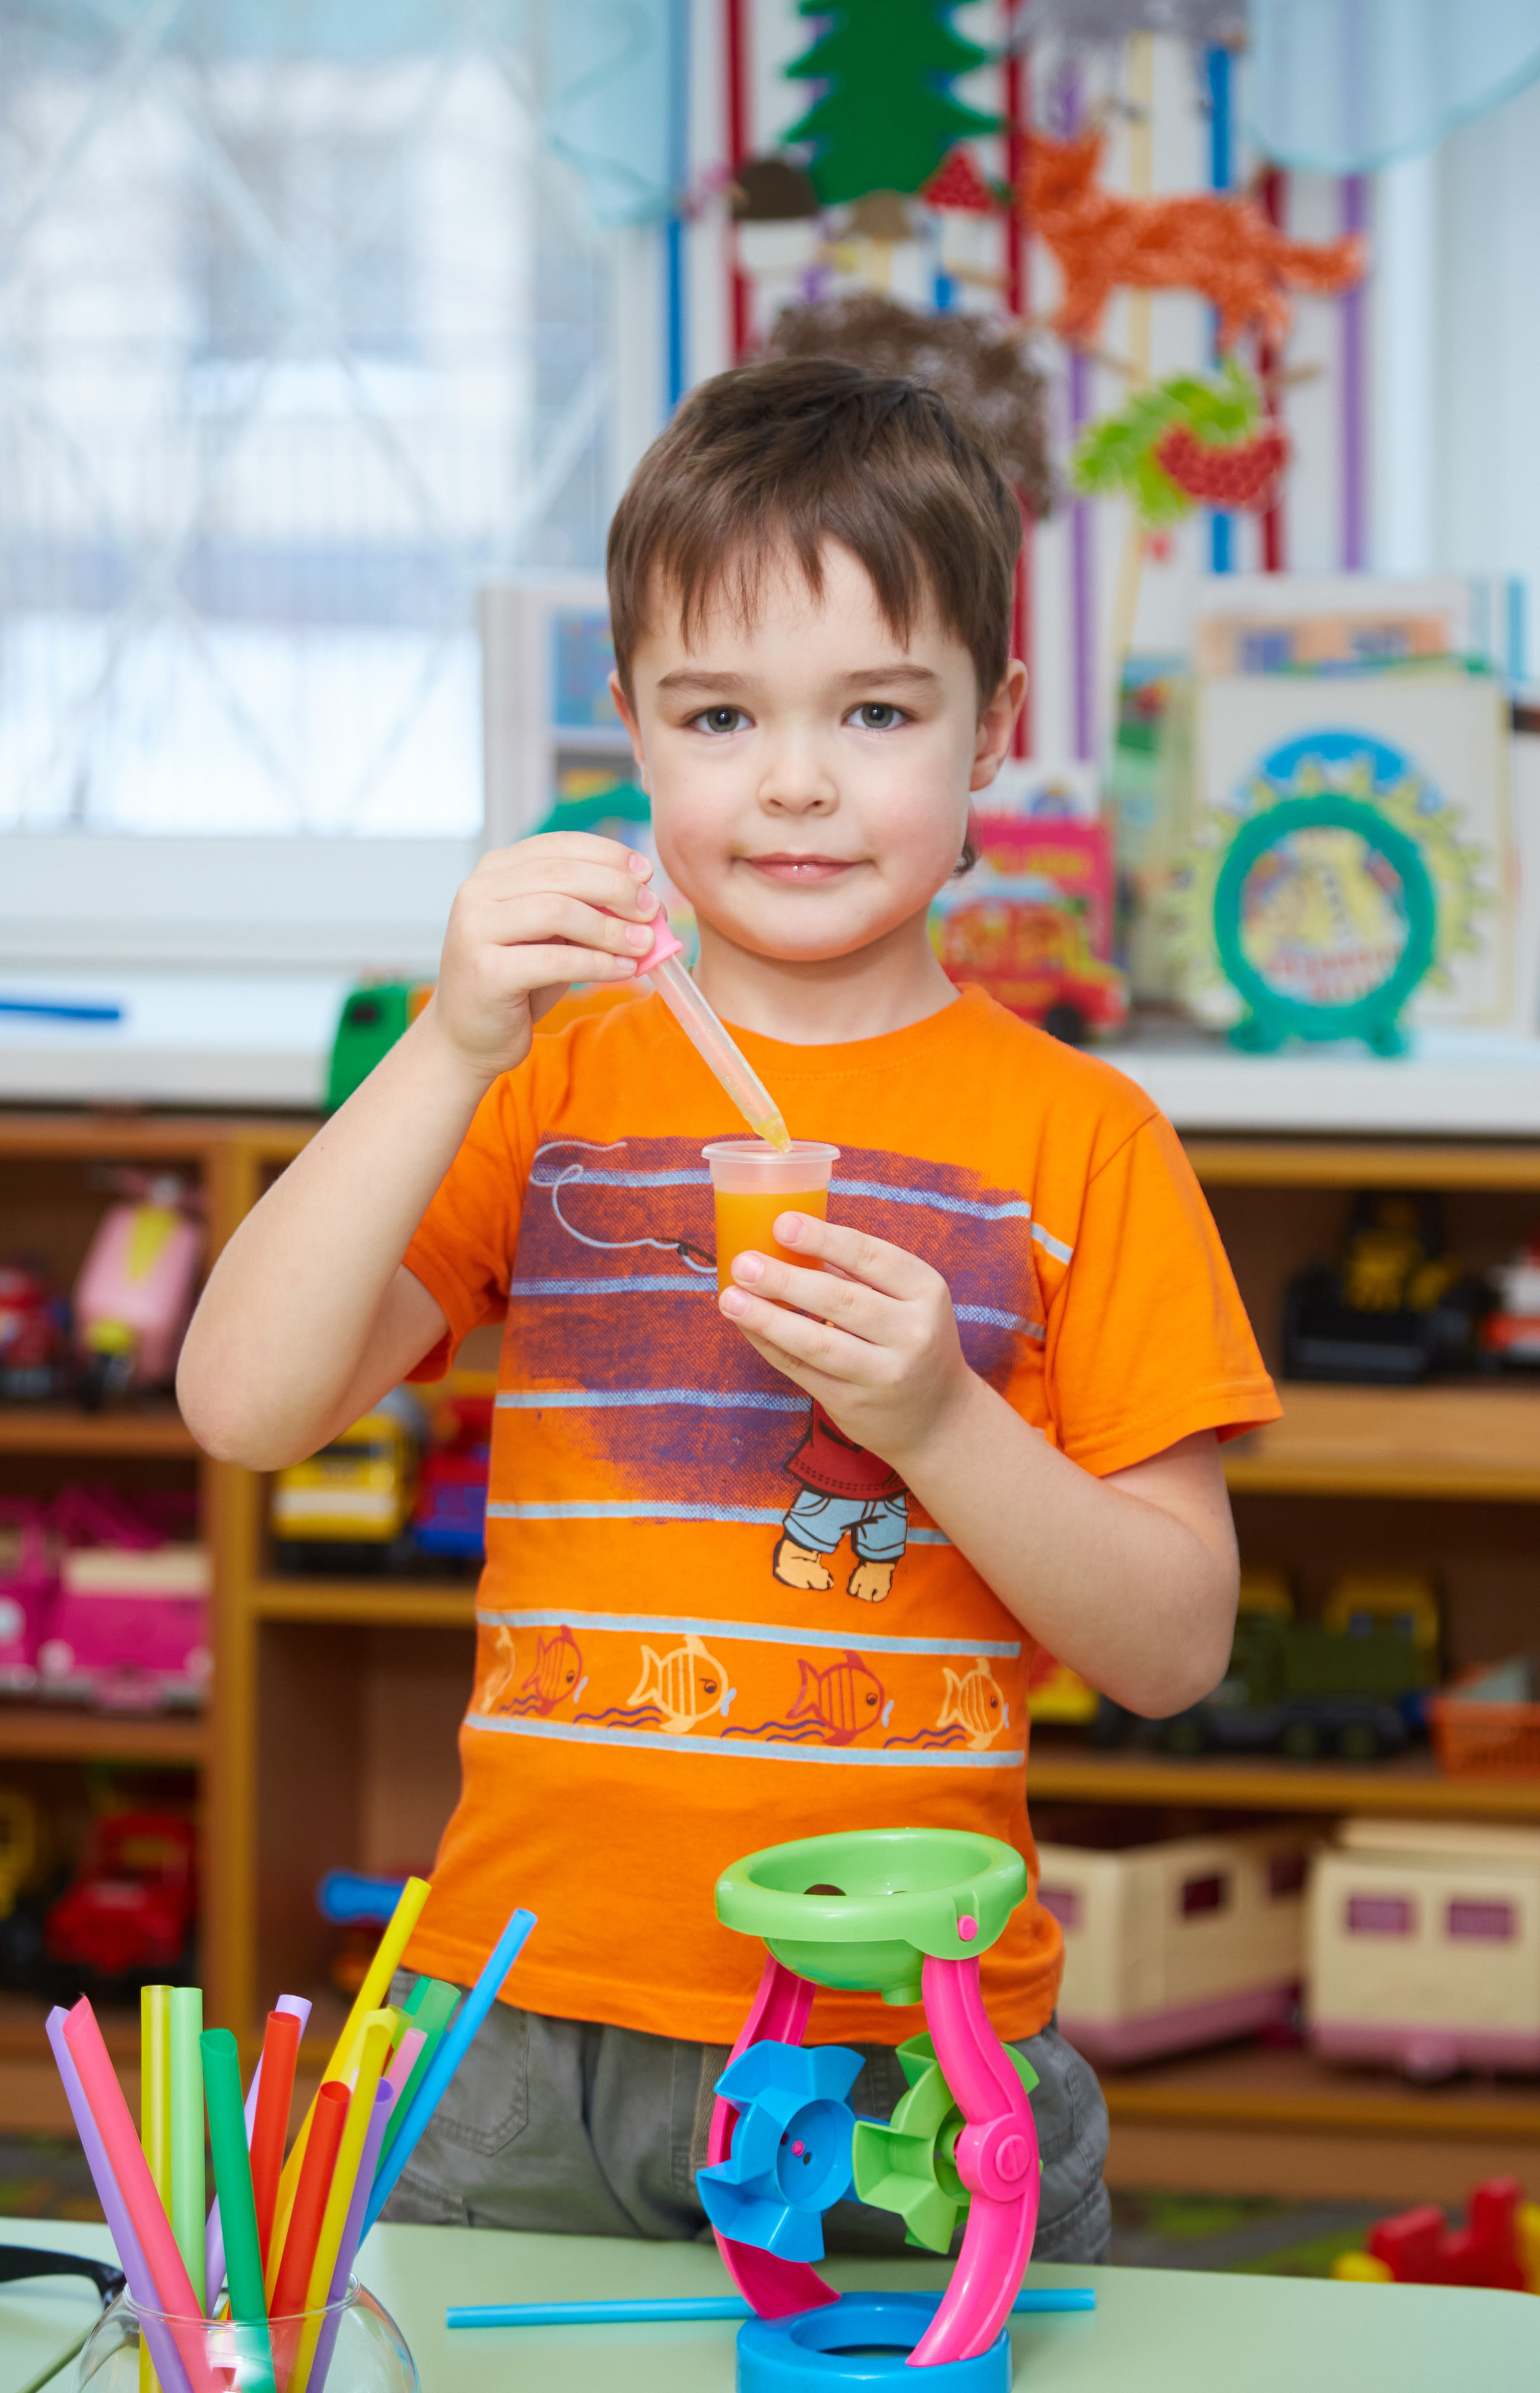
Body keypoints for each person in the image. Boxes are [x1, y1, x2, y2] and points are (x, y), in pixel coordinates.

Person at [178, 358, 1279, 2260]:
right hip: (517, 2022)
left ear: (995, 726)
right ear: (632, 730)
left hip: (898, 2054)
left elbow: (1177, 1647)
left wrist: (941, 1419)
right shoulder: (550, 1078)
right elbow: (244, 1405)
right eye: (718, 713)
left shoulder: (1086, 1140)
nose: (793, 780)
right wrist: (446, 1046)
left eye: (875, 709)